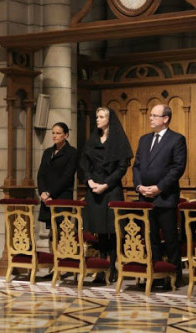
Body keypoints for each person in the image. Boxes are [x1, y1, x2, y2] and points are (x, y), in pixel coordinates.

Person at [133, 104, 187, 288]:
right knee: (151, 237)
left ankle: (174, 274)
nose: (151, 118)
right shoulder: (144, 139)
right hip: (145, 197)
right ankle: (156, 273)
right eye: (150, 115)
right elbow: (137, 166)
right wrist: (139, 186)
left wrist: (159, 188)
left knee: (170, 239)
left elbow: (178, 168)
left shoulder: (176, 139)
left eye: (155, 116)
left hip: (165, 197)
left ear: (165, 119)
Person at [80, 107, 133, 283]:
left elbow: (121, 168)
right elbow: (84, 163)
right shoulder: (93, 139)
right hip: (94, 189)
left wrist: (106, 184)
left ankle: (113, 266)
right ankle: (102, 268)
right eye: (96, 116)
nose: (97, 119)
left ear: (109, 119)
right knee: (100, 231)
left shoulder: (117, 139)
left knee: (113, 230)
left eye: (101, 116)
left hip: (111, 190)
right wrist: (89, 181)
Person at [37, 122, 78, 229]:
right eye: (53, 133)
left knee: (62, 231)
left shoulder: (71, 152)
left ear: (66, 135)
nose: (54, 136)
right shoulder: (47, 152)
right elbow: (41, 174)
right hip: (47, 198)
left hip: (62, 196)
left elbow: (67, 177)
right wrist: (42, 192)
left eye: (58, 133)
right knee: (51, 231)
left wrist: (49, 192)